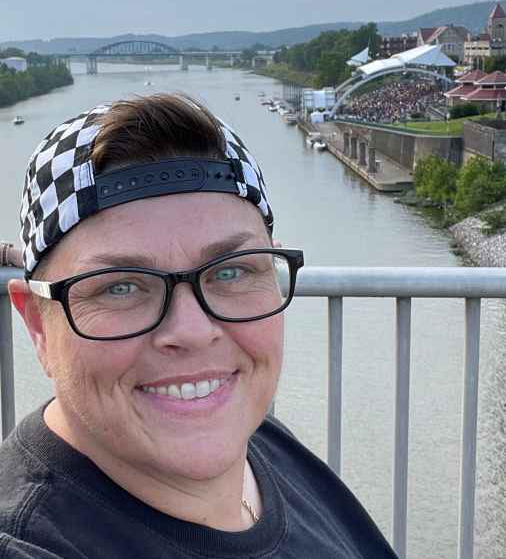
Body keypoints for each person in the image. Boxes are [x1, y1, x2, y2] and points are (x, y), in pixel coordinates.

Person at [0, 93, 398, 558]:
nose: (191, 330)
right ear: (38, 325)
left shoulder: (264, 442)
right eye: (120, 287)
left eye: (231, 271)